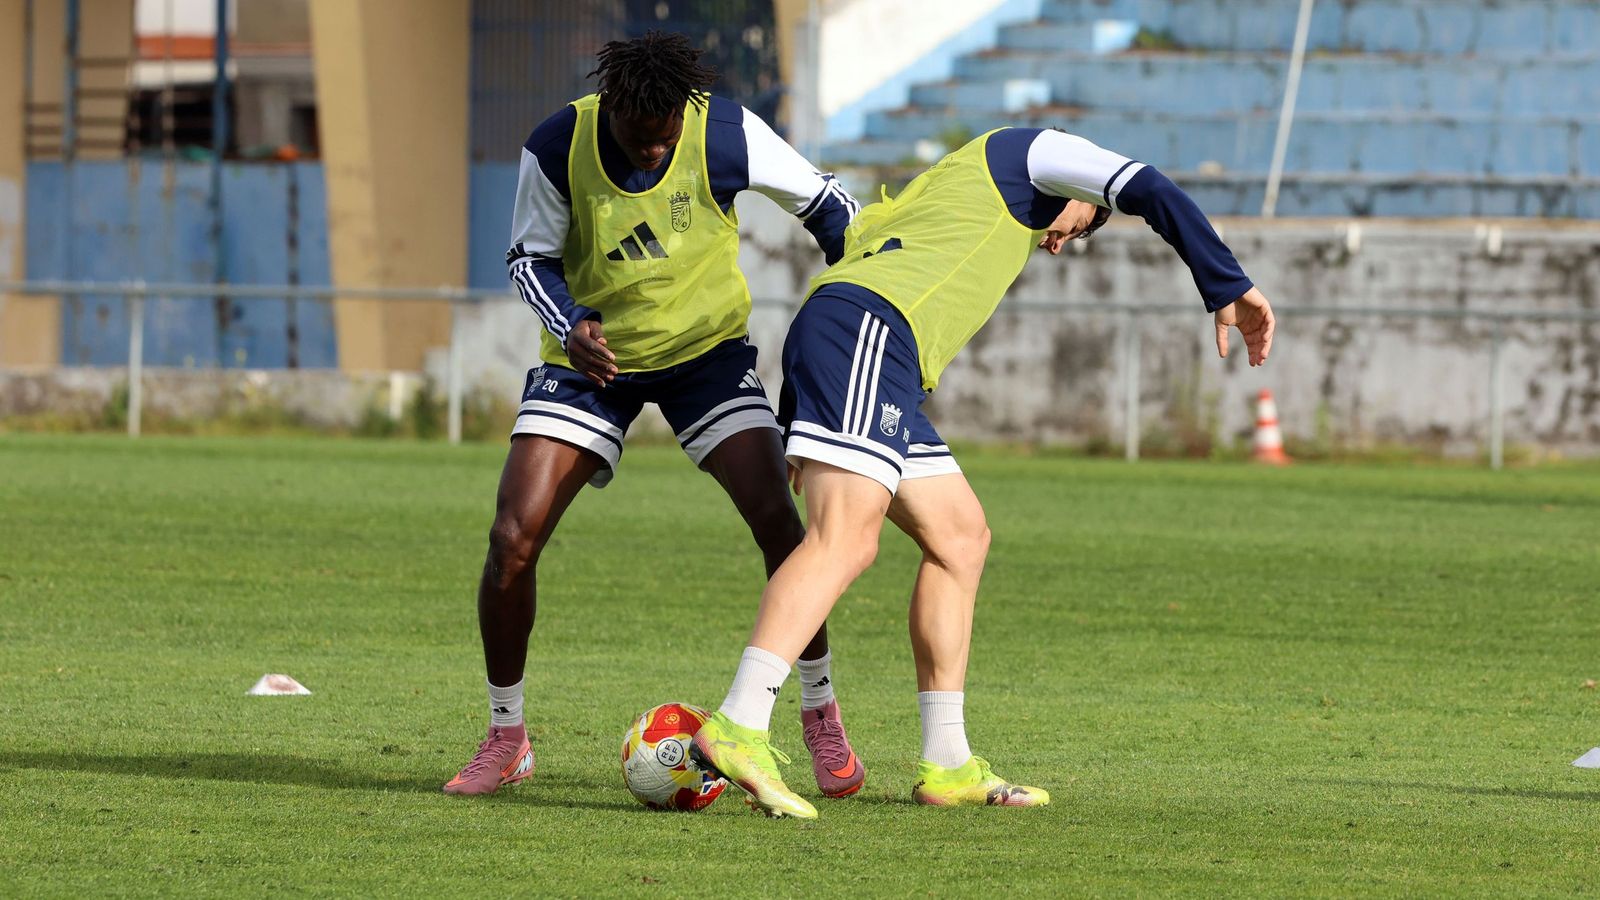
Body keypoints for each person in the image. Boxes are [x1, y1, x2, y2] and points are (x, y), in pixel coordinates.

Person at [690, 126, 1276, 818]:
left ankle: (947, 761)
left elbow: (852, 270)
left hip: (871, 350)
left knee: (961, 536)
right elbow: (1149, 186)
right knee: (845, 540)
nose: (1063, 242)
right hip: (871, 336)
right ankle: (737, 723)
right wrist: (1227, 284)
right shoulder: (1032, 150)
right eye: (1082, 223)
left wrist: (810, 405)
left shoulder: (956, 194)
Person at [444, 31, 867, 797]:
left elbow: (831, 205)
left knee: (780, 520)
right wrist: (571, 325)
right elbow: (528, 257)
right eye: (640, 140)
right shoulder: (556, 143)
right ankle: (507, 735)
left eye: (665, 138)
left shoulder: (728, 130)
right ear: (609, 112)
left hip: (705, 356)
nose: (653, 152)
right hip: (589, 364)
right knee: (512, 538)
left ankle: (818, 712)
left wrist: (857, 295)